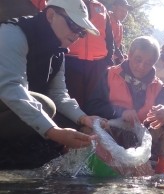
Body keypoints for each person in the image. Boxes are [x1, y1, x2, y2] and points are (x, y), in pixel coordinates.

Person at [0, 0, 109, 168]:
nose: (76, 35)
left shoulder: (58, 51)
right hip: (7, 100)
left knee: (76, 125)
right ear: (51, 15)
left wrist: (83, 118)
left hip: (14, 110)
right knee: (46, 106)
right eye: (73, 25)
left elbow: (59, 94)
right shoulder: (13, 32)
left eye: (81, 32)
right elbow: (10, 87)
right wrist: (53, 131)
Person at [103, 36, 164, 175]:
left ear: (154, 64)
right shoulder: (109, 74)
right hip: (111, 129)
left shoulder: (159, 86)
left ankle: (162, 173)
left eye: (148, 63)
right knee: (89, 125)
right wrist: (121, 112)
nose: (141, 67)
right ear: (130, 54)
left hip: (141, 134)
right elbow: (94, 105)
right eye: (138, 60)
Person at [64, 0, 115, 119]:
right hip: (72, 60)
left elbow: (109, 37)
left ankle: (93, 130)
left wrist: (108, 61)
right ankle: (73, 127)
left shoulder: (101, 8)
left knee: (94, 100)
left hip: (98, 64)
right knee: (73, 99)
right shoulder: (67, 3)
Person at [109, 0, 133, 65]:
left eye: (126, 12)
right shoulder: (106, 18)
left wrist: (121, 54)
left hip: (112, 57)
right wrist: (120, 56)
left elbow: (118, 44)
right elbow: (110, 40)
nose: (124, 14)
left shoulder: (119, 24)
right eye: (122, 11)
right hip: (103, 58)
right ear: (114, 8)